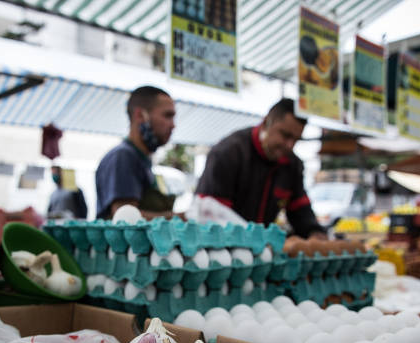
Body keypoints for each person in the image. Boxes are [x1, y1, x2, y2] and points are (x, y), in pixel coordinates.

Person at [195, 98, 326, 239]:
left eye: (295, 139)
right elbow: (210, 213)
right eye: (285, 135)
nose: (289, 145)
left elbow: (300, 210)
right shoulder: (229, 153)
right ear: (266, 123)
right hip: (222, 248)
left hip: (262, 251)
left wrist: (314, 232)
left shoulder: (291, 164)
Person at [95, 86, 178, 220]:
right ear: (140, 115)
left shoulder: (142, 159)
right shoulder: (123, 157)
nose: (173, 125)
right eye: (167, 115)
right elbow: (126, 218)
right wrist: (180, 218)